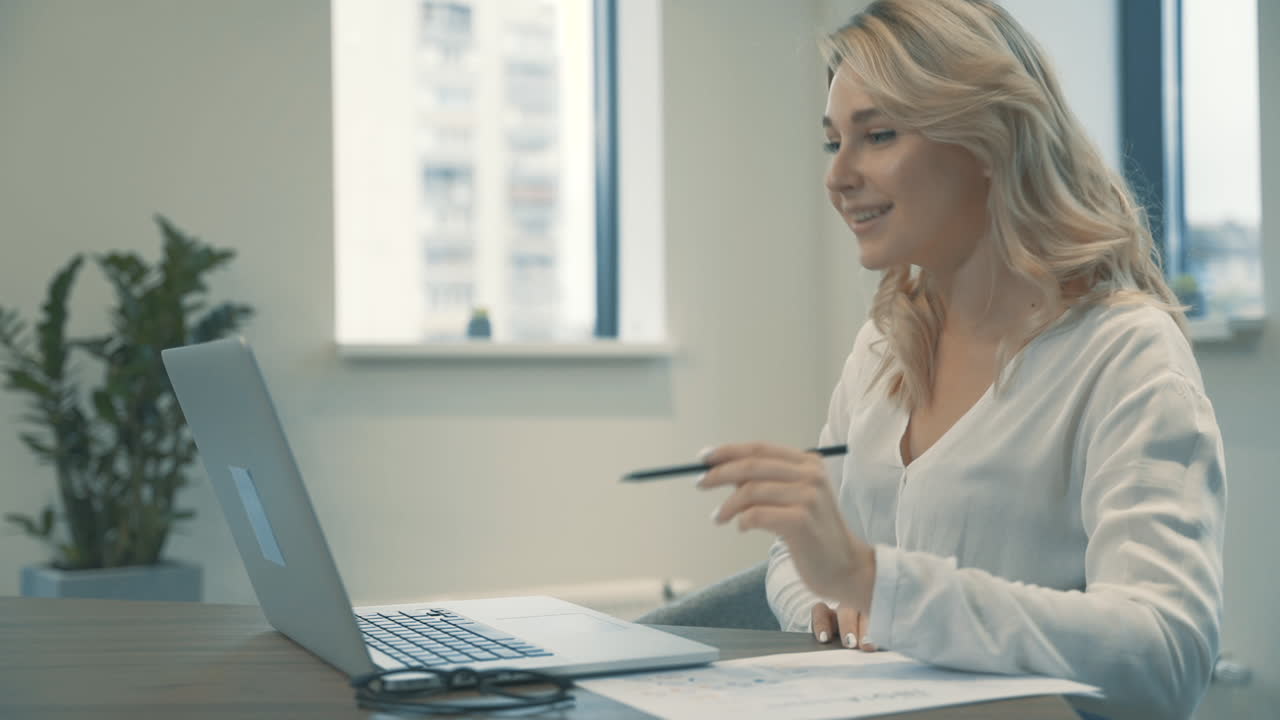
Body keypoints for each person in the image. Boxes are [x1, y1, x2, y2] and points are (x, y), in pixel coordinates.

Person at [693, 2, 1226, 719]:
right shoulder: (884, 347)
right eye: (833, 143)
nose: (838, 175)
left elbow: (1166, 658)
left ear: (989, 141)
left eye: (877, 135)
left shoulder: (1126, 356)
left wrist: (876, 583)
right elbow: (806, 560)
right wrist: (824, 595)